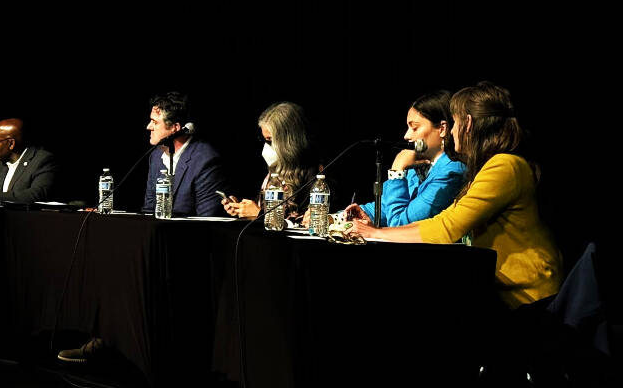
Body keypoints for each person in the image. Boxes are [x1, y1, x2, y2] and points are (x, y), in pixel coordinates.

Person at [352, 82, 561, 309]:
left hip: (528, 297)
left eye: (456, 122)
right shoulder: (490, 165)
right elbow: (446, 219)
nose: (452, 131)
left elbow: (447, 227)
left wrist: (376, 234)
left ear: (468, 123)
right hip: (504, 293)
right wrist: (370, 229)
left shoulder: (505, 165)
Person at [343, 90, 466, 227]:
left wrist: (397, 171)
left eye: (414, 128)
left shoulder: (452, 172)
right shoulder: (417, 168)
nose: (406, 136)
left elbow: (399, 223)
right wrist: (335, 218)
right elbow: (385, 207)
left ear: (442, 129)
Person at [222, 101, 319, 221]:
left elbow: (309, 221)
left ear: (289, 141)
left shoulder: (313, 174)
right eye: (264, 140)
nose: (266, 146)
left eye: (270, 140)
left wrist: (259, 214)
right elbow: (262, 212)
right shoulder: (274, 172)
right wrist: (241, 209)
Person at [139, 92, 227, 217]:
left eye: (155, 122)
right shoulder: (156, 156)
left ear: (175, 127)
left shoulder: (205, 160)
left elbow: (207, 221)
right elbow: (149, 211)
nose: (149, 127)